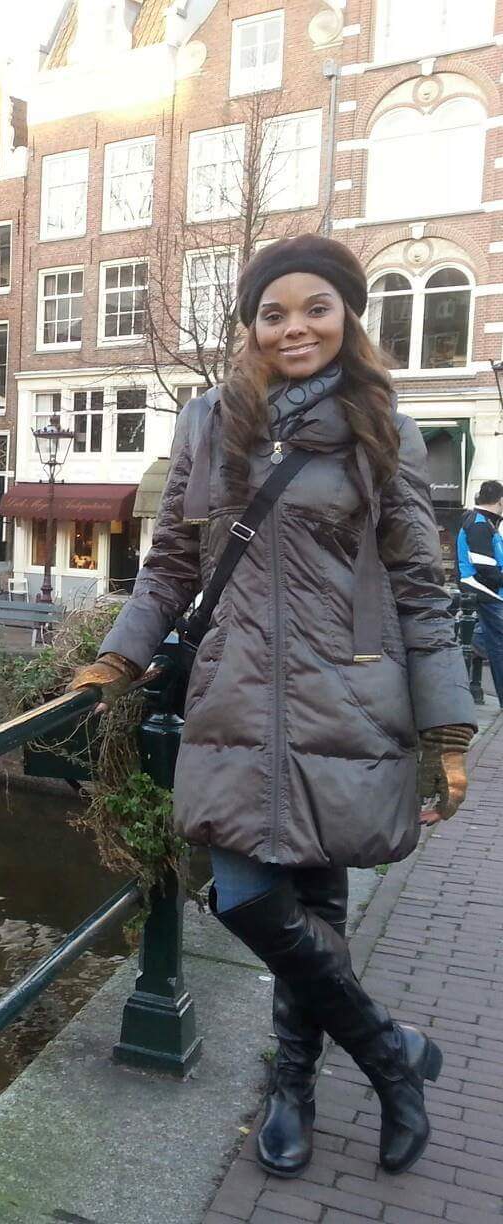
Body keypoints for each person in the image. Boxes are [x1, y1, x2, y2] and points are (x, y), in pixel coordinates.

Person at [70, 235, 476, 1180]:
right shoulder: (211, 422)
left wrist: (447, 732)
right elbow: (172, 561)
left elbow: (420, 582)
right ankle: (390, 1057)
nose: (295, 326)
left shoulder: (385, 427)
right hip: (235, 695)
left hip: (350, 702)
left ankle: (293, 1084)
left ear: (347, 318)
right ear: (250, 326)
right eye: (274, 312)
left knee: (319, 904)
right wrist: (116, 659)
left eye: (316, 308)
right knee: (251, 895)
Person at [456, 480, 503, 698]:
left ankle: (473, 643)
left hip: (487, 592)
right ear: (500, 501)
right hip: (487, 592)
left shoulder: (481, 522)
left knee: (492, 643)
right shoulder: (480, 524)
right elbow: (486, 567)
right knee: (498, 645)